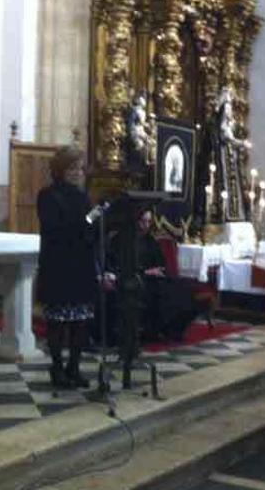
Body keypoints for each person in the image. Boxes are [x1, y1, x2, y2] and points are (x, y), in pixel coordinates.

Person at [37, 147, 97, 389]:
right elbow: (54, 228)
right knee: (58, 323)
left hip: (80, 265)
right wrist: (85, 222)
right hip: (58, 265)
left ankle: (74, 366)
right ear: (60, 170)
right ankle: (57, 368)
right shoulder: (48, 195)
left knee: (80, 322)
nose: (77, 173)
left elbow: (88, 228)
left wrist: (97, 220)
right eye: (72, 168)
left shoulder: (82, 196)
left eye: (80, 168)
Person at [107, 208, 198, 344]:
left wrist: (158, 270)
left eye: (149, 222)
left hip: (153, 278)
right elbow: (117, 266)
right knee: (162, 294)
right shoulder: (121, 240)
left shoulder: (149, 240)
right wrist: (145, 272)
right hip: (133, 279)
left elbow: (160, 262)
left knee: (184, 291)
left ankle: (172, 330)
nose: (146, 226)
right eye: (143, 222)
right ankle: (153, 331)